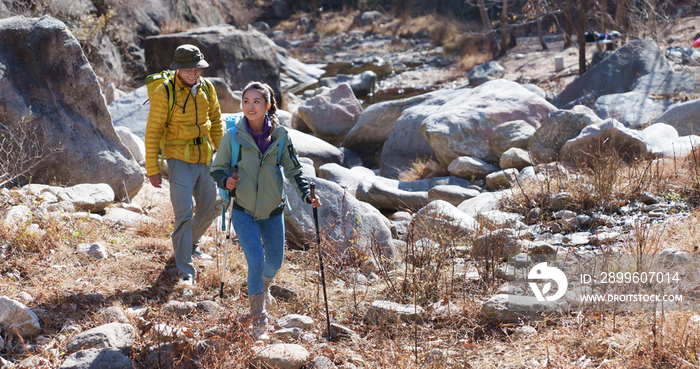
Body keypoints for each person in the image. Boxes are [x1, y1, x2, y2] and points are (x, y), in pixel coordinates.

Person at [210, 81, 322, 340]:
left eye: (256, 101)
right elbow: (217, 168)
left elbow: (294, 170)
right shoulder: (233, 137)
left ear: (268, 105)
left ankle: (265, 285)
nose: (250, 106)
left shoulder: (281, 136)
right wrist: (225, 180)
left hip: (273, 208)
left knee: (274, 262)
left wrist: (306, 194)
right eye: (246, 101)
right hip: (243, 208)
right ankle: (258, 318)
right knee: (256, 262)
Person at [145, 44, 224, 285]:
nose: (193, 73)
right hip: (178, 160)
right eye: (188, 68)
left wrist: (223, 156)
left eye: (197, 68)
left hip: (206, 158)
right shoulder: (164, 92)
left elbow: (217, 123)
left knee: (211, 208)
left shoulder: (207, 88)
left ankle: (189, 244)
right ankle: (186, 271)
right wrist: (153, 169)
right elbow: (153, 131)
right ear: (177, 68)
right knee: (183, 215)